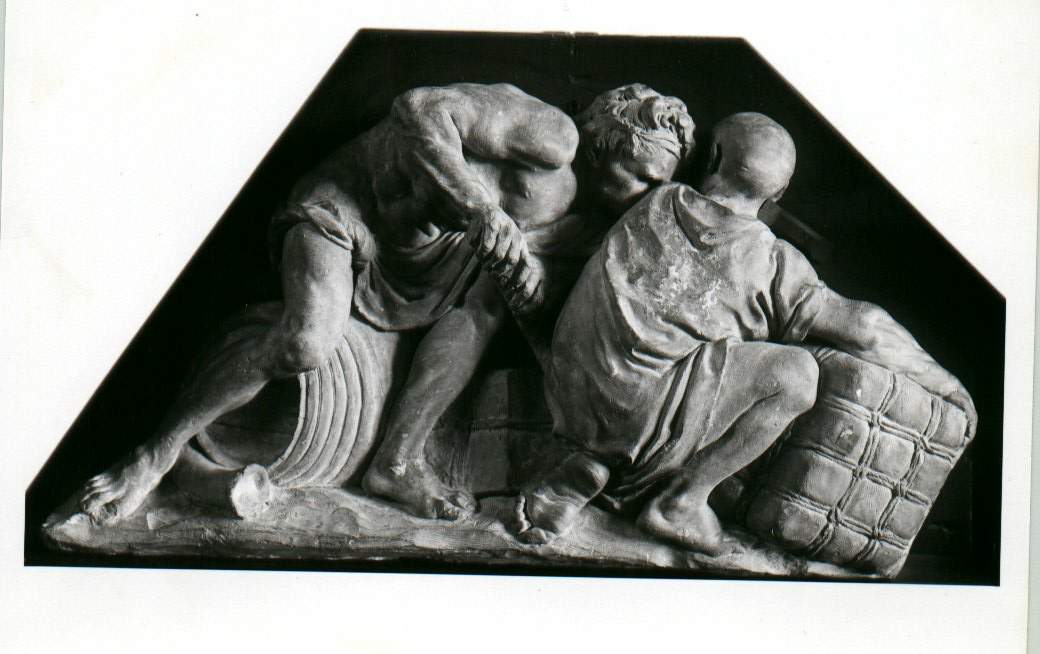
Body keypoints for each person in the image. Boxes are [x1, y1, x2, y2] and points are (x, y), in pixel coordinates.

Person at [78, 82, 695, 525]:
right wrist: (480, 207)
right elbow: (418, 109)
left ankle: (396, 463)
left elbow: (532, 304)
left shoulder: (590, 227)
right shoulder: (555, 135)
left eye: (657, 185)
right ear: (605, 143)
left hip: (431, 269)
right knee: (305, 343)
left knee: (486, 309)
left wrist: (530, 285)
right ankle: (154, 454)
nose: (645, 195)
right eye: (640, 176)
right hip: (354, 215)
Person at [513, 112, 975, 555]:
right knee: (797, 374)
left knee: (657, 356)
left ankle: (590, 463)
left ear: (712, 156)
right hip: (643, 417)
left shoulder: (655, 201)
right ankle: (682, 502)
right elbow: (866, 328)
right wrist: (946, 384)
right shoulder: (772, 262)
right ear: (779, 193)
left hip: (569, 392)